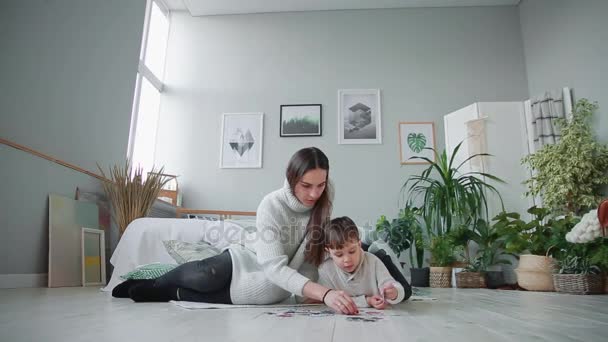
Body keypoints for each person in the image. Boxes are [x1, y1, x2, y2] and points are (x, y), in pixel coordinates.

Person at [112, 147, 359, 315]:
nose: (315, 194)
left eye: (321, 185)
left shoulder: (325, 199)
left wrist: (312, 293)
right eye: (306, 186)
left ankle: (161, 292)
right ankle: (154, 281)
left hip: (277, 285)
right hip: (249, 260)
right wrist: (325, 293)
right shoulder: (271, 205)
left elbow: (309, 257)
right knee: (205, 276)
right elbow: (273, 266)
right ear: (291, 179)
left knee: (198, 295)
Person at [313, 216, 408, 309]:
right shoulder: (325, 270)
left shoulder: (373, 261)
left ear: (359, 244)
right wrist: (367, 301)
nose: (347, 259)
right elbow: (331, 300)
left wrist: (394, 293)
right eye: (339, 255)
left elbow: (390, 284)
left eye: (352, 251)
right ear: (328, 251)